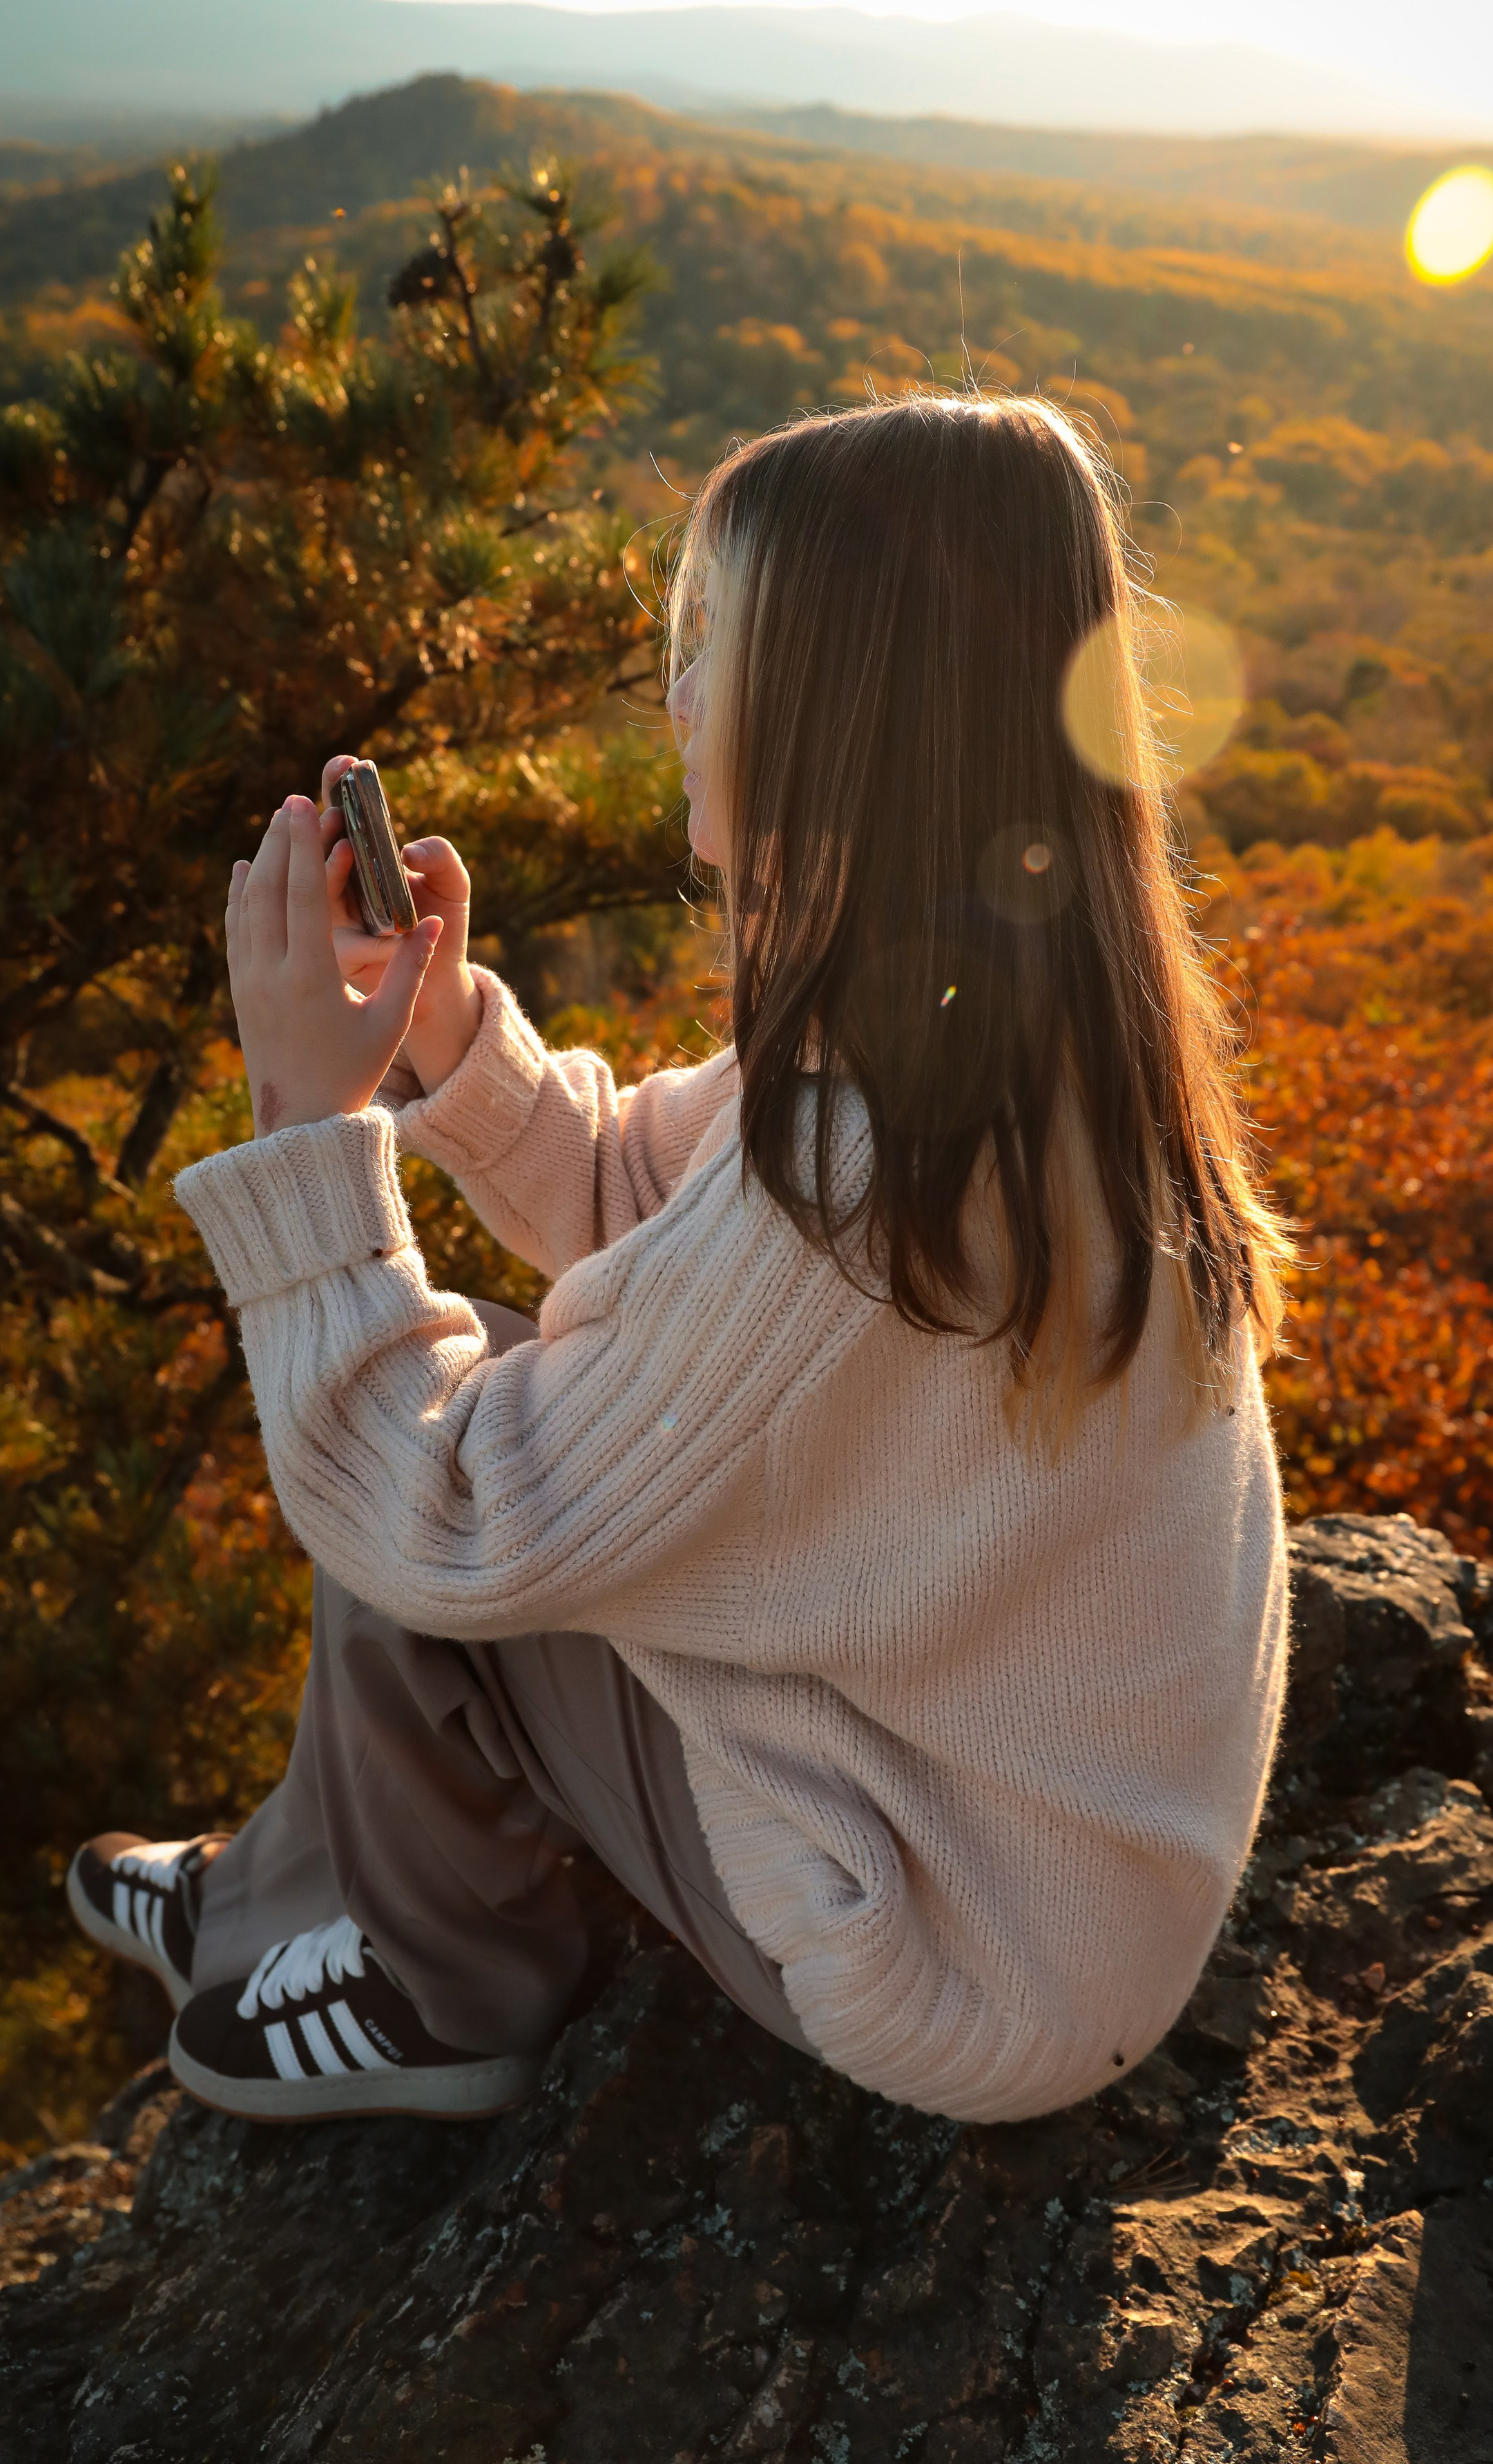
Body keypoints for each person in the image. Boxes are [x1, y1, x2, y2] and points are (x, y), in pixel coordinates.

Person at [68, 393, 1289, 2127]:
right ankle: (280, 1881)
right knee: (493, 1378)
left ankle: (435, 1986)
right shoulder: (1007, 1035)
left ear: (850, 716)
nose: (684, 692)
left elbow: (439, 1518)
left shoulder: (875, 1161)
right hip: (1059, 1874)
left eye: (726, 647)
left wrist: (300, 1128)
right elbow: (657, 1202)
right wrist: (441, 1037)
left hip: (948, 1951)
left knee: (435, 1433)